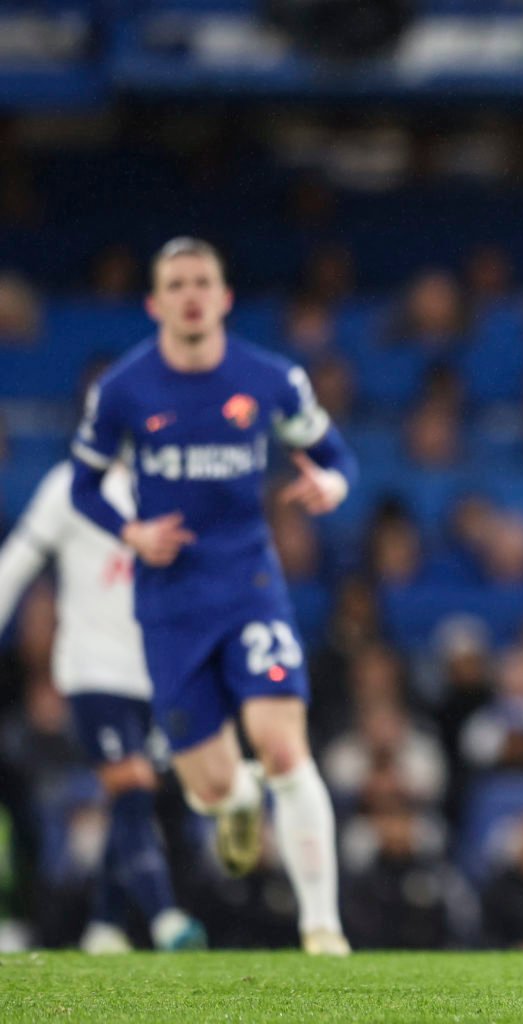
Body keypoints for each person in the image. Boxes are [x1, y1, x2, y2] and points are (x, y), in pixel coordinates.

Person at [69, 237, 359, 955]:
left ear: (225, 297)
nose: (192, 293)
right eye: (177, 283)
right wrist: (128, 529)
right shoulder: (125, 389)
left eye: (203, 281)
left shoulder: (270, 380)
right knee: (206, 784)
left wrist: (333, 486)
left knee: (286, 752)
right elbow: (83, 484)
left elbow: (334, 455)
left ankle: (323, 929)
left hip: (250, 587)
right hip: (169, 604)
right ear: (155, 302)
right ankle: (231, 804)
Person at [0, 459, 206, 953]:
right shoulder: (70, 483)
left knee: (133, 800)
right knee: (132, 790)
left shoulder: (172, 485)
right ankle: (164, 917)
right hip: (93, 670)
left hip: (152, 673)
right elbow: (20, 557)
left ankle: (105, 925)